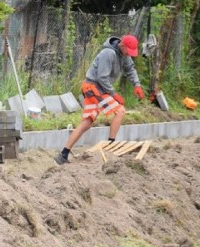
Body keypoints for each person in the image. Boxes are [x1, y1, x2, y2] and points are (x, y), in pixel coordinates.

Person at [55, 34, 146, 165]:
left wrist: (137, 85)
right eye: (129, 51)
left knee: (87, 123)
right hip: (93, 88)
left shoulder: (124, 55)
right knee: (120, 111)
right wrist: (113, 94)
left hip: (99, 89)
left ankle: (63, 154)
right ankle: (111, 145)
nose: (129, 54)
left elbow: (130, 69)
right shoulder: (108, 53)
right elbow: (101, 78)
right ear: (123, 45)